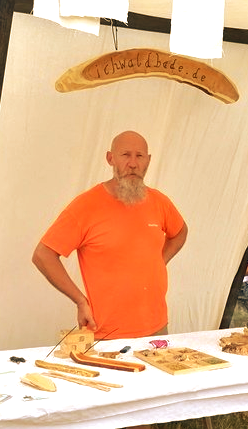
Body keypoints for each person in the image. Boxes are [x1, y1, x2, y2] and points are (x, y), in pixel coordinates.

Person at [32, 130, 188, 340]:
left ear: (148, 160)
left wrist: (160, 261)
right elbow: (43, 255)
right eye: (125, 155)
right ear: (110, 158)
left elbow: (180, 232)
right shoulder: (86, 206)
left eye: (139, 156)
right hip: (106, 334)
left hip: (157, 328)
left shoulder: (159, 202)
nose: (133, 164)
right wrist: (79, 300)